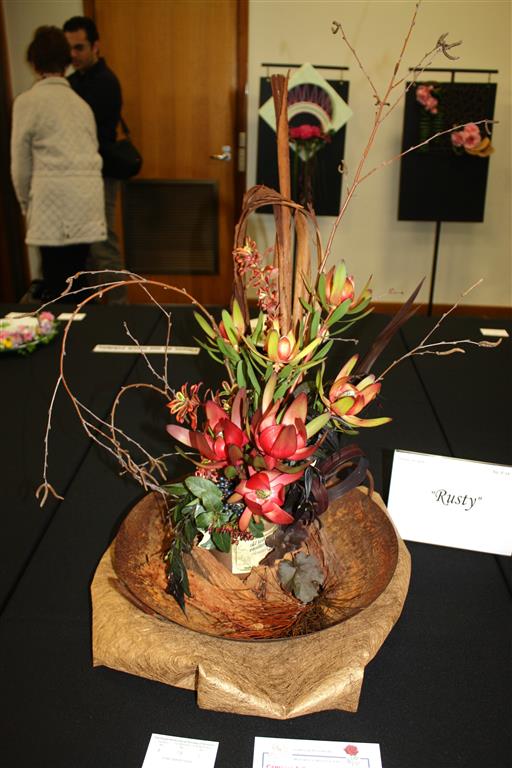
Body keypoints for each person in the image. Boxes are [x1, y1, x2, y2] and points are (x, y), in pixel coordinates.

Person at [10, 26, 106, 302]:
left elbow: (20, 164)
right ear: (66, 62)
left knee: (55, 284)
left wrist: (26, 204)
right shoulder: (81, 105)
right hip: (86, 202)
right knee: (79, 280)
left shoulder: (27, 102)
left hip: (51, 202)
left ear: (34, 62)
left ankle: (60, 328)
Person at [63, 15, 127, 303]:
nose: (73, 55)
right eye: (69, 49)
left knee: (103, 245)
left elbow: (87, 135)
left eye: (79, 47)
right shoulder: (70, 82)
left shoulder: (105, 82)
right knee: (83, 250)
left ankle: (120, 309)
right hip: (76, 177)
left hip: (100, 175)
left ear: (95, 46)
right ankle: (90, 311)